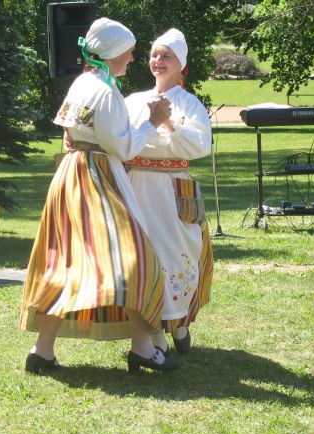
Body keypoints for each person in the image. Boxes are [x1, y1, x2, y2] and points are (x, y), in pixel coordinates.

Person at [20, 17, 179, 374]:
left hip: (71, 174)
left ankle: (42, 350)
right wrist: (152, 122)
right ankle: (143, 348)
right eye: (129, 52)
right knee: (136, 258)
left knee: (69, 261)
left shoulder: (83, 83)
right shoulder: (105, 92)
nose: (133, 58)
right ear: (113, 52)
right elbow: (122, 147)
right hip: (95, 176)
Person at [124, 28, 214, 354]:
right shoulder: (133, 101)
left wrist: (167, 122)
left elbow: (199, 145)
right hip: (136, 186)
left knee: (176, 256)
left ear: (181, 64)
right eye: (154, 55)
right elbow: (119, 139)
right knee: (145, 258)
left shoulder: (190, 104)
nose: (158, 61)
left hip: (172, 189)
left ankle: (179, 321)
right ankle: (155, 337)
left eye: (167, 56)